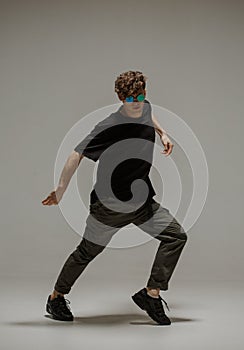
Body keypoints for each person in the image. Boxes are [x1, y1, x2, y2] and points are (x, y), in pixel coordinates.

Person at [42, 71, 188, 326]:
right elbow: (76, 154)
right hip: (109, 207)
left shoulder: (144, 106)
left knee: (176, 236)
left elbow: (150, 114)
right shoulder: (110, 126)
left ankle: (151, 294)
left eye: (141, 96)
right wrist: (61, 190)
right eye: (131, 98)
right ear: (120, 98)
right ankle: (56, 298)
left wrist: (163, 133)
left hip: (142, 202)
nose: (138, 102)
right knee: (86, 252)